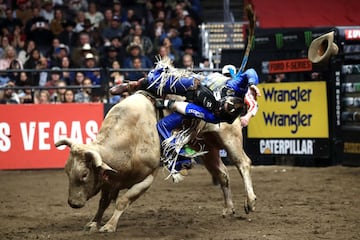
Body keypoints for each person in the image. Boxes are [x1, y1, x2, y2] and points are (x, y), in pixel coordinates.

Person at [110, 58, 260, 181]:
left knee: (162, 126)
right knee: (160, 79)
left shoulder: (213, 115)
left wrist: (165, 104)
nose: (220, 106)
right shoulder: (234, 85)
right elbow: (250, 71)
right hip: (194, 83)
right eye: (223, 105)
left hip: (194, 100)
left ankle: (180, 160)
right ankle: (133, 85)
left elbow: (187, 108)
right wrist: (253, 83)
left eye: (221, 109)